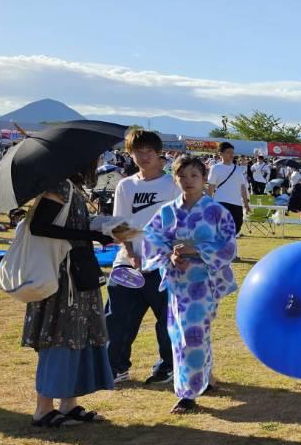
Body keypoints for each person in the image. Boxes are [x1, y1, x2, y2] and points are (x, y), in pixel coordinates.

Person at [23, 166, 132, 428]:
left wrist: (99, 229)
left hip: (77, 272)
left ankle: (68, 403)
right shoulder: (59, 186)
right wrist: (90, 235)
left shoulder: (71, 188)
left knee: (77, 335)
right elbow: (40, 227)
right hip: (63, 276)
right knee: (60, 335)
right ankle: (44, 408)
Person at [141, 156, 238, 413]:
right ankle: (199, 382)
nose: (188, 181)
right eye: (182, 176)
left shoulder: (217, 212)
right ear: (175, 179)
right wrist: (170, 256)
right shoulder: (167, 212)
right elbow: (152, 240)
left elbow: (228, 246)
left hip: (204, 282)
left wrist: (196, 250)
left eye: (194, 176)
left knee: (192, 335)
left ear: (204, 179)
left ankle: (189, 393)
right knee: (182, 334)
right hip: (178, 283)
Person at [106, 128, 179, 386]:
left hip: (162, 266)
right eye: (139, 151)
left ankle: (168, 366)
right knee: (117, 319)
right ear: (130, 153)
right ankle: (115, 367)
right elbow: (120, 224)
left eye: (149, 151)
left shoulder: (172, 185)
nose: (144, 156)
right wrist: (129, 252)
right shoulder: (126, 186)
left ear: (159, 153)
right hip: (128, 264)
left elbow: (178, 226)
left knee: (167, 321)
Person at [206, 141, 249, 232]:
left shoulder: (238, 169)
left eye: (232, 153)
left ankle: (228, 245)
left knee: (236, 227)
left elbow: (242, 187)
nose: (231, 155)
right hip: (221, 201)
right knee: (221, 228)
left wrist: (246, 203)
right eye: (228, 152)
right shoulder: (215, 168)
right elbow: (211, 186)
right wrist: (208, 202)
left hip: (236, 203)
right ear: (220, 154)